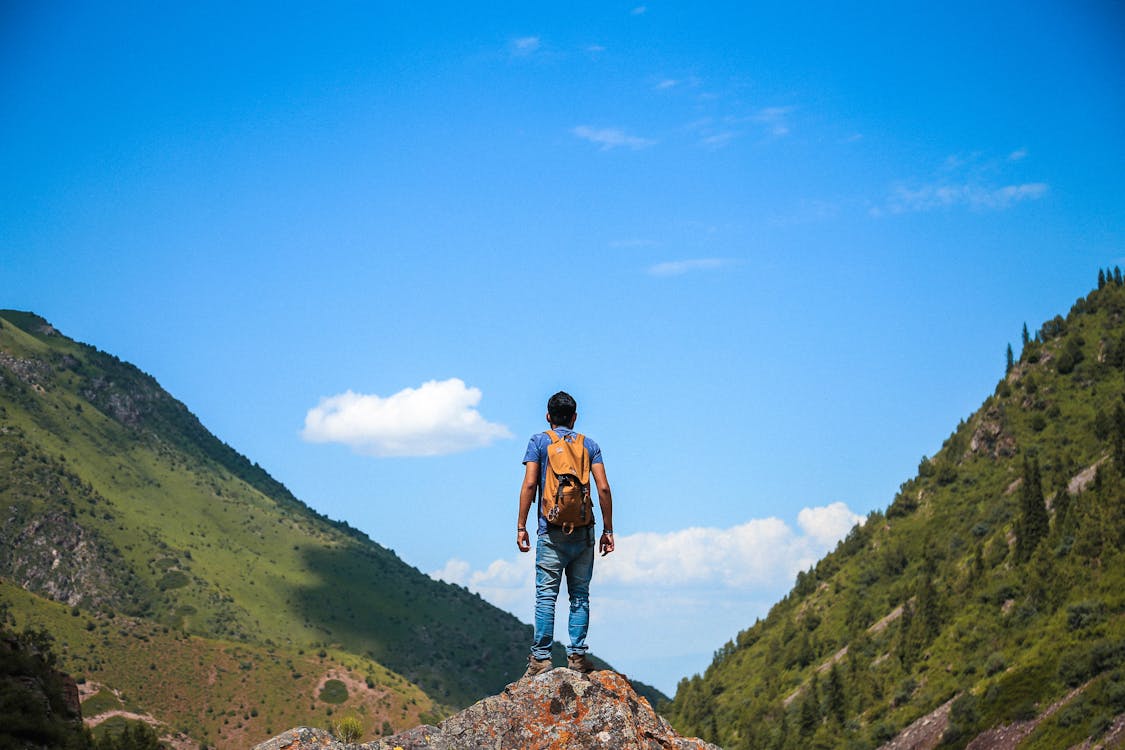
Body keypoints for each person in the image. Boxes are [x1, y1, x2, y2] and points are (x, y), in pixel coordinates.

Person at [516, 391, 614, 678]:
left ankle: (540, 660)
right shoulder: (589, 445)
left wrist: (521, 526)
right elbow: (604, 488)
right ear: (574, 417)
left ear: (548, 416)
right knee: (580, 595)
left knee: (546, 595)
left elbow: (530, 484)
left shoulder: (539, 441)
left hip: (551, 530)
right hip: (584, 531)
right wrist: (608, 530)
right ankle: (577, 657)